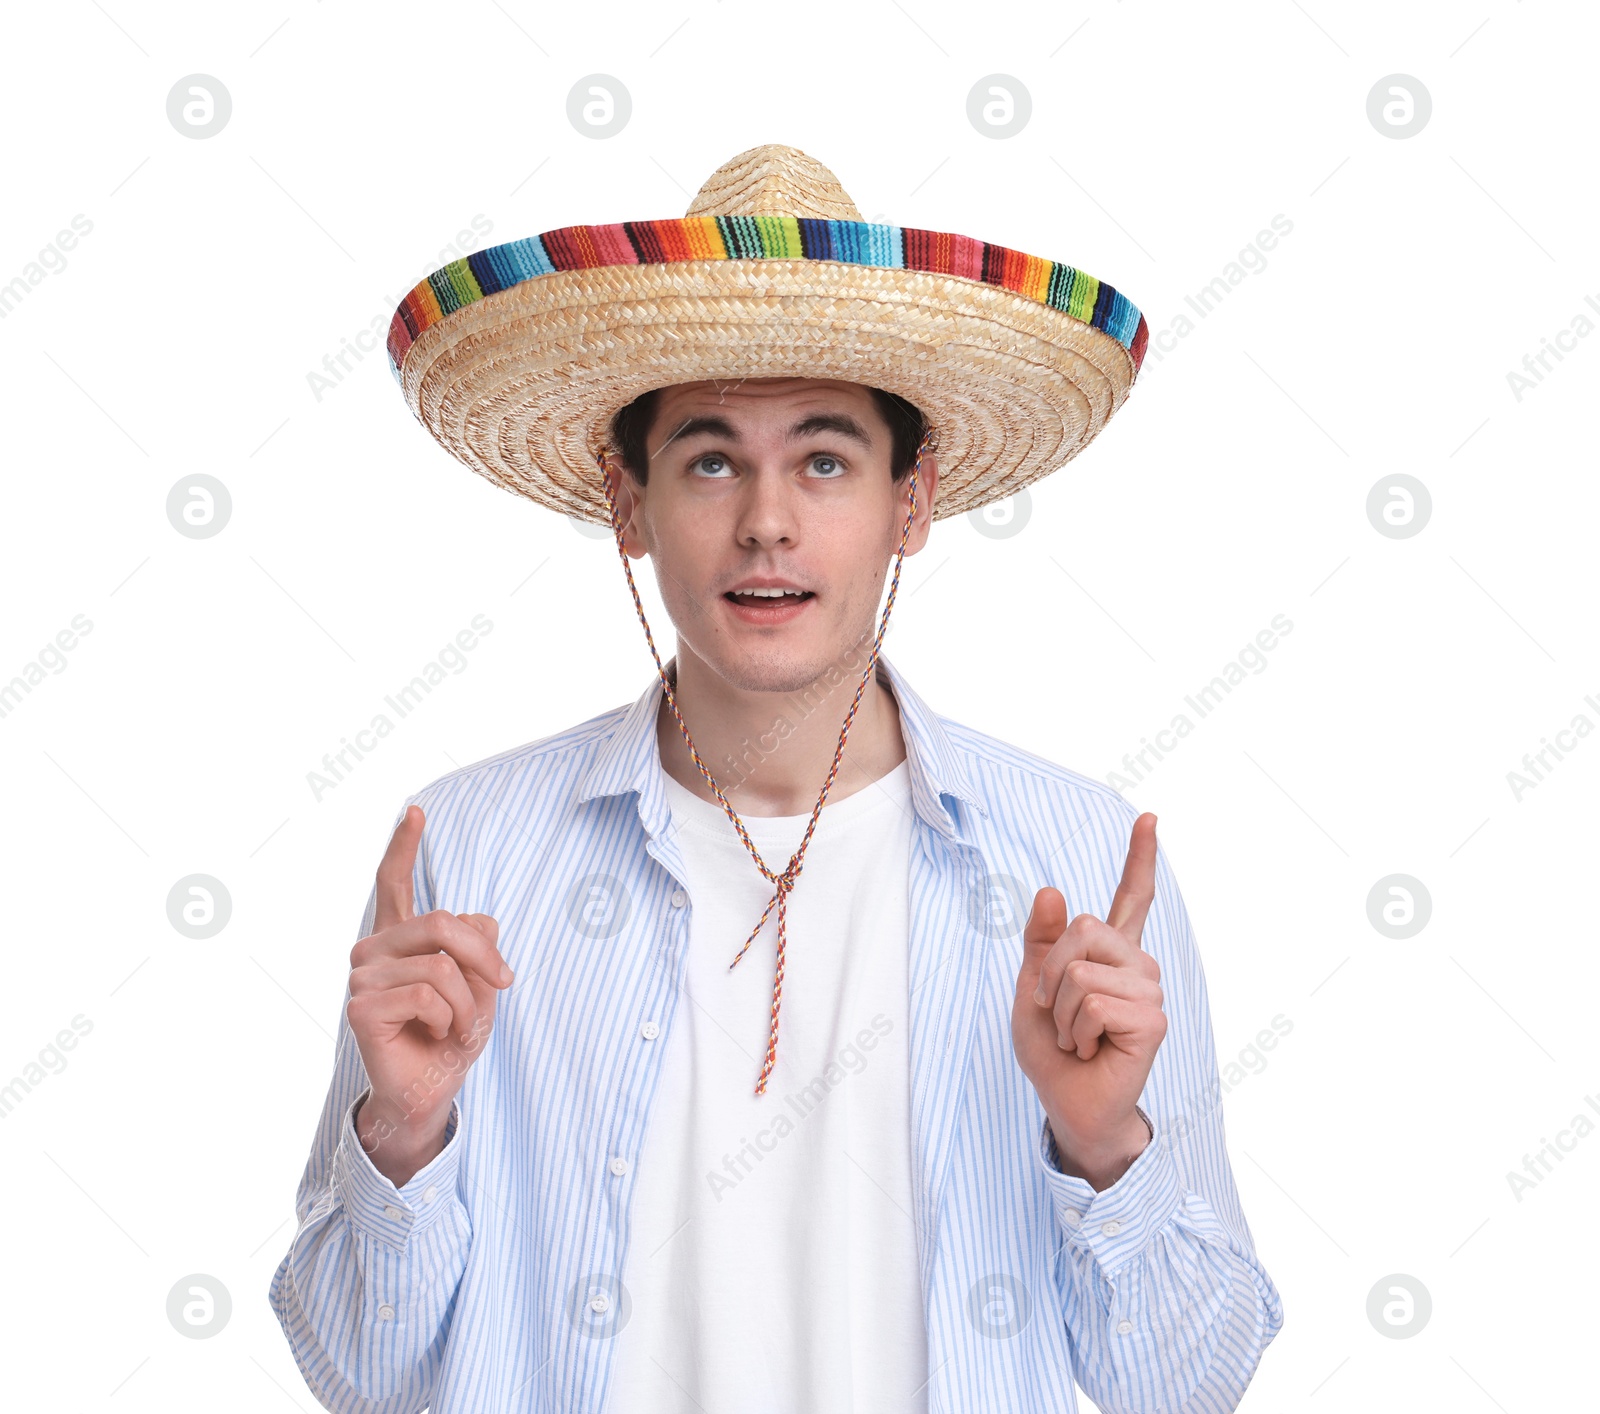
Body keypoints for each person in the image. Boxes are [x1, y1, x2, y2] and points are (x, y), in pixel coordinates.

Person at [270, 145, 1284, 1413]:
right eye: (708, 460)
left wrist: (1102, 1146)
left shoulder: (1075, 866)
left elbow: (1190, 1381)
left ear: (909, 503)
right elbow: (350, 1370)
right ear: (625, 501)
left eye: (823, 460)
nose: (765, 521)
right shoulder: (465, 855)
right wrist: (403, 1136)